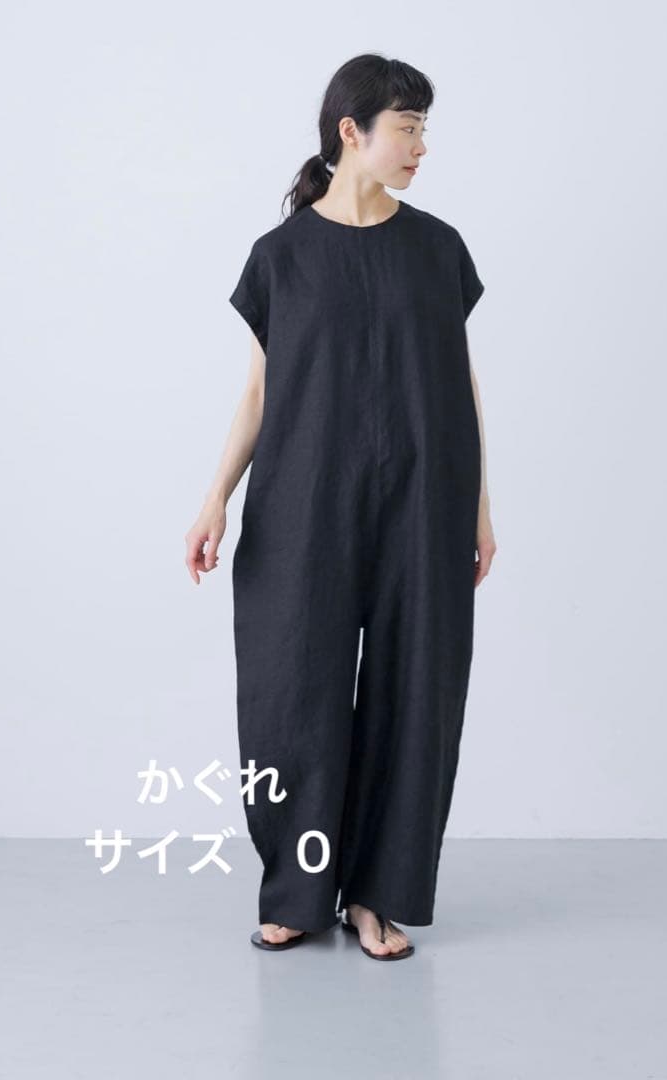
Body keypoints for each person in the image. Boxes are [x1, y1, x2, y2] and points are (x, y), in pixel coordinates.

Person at [184, 53, 497, 962]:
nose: (420, 147)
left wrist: (480, 507)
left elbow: (462, 383)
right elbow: (259, 393)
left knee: (414, 692)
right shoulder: (280, 257)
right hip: (302, 503)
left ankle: (375, 896)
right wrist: (214, 499)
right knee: (292, 691)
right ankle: (299, 891)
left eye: (424, 129)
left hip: (425, 503)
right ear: (350, 132)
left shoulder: (437, 249)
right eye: (407, 128)